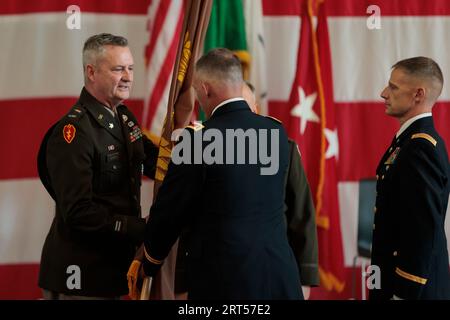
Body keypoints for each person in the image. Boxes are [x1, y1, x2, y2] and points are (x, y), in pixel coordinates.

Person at [141, 48, 303, 299]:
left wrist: (150, 260)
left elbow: (171, 211)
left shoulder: (197, 142)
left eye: (195, 90)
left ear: (205, 88)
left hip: (226, 284)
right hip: (278, 278)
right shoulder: (275, 134)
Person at [37, 33, 158, 299]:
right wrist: (139, 227)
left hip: (112, 272)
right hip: (80, 276)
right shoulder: (73, 131)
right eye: (118, 69)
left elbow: (155, 162)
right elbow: (78, 211)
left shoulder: (124, 117)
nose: (128, 76)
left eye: (130, 68)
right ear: (91, 72)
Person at [369, 56, 450, 300]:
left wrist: (403, 293)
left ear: (418, 95)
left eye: (393, 87)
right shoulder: (408, 142)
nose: (384, 93)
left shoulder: (420, 147)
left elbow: (421, 231)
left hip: (411, 290)